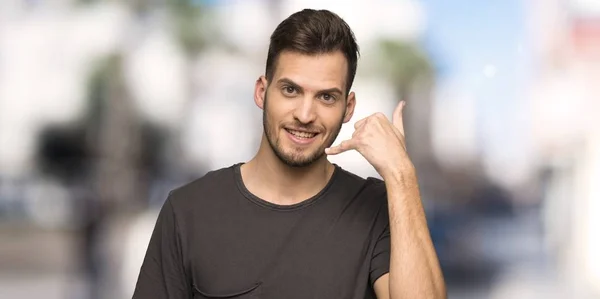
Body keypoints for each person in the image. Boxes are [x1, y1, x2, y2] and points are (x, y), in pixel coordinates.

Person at [132, 8, 445, 299]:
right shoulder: (188, 211)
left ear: (347, 108)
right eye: (291, 90)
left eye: (326, 97)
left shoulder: (377, 209)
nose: (305, 114)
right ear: (261, 91)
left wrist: (401, 173)